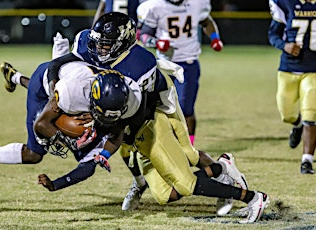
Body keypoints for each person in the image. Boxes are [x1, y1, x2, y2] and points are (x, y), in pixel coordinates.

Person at [46, 12, 245, 215]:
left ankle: (224, 173)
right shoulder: (87, 42)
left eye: (106, 44)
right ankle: (139, 183)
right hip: (121, 105)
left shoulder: (139, 64)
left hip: (156, 102)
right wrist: (55, 93)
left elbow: (138, 112)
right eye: (98, 42)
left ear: (122, 43)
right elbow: (57, 64)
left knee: (187, 154)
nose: (99, 48)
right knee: (125, 148)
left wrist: (99, 123)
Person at [79, 68, 269, 223]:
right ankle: (220, 167)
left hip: (152, 131)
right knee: (164, 195)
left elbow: (117, 135)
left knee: (187, 179)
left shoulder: (134, 100)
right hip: (138, 143)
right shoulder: (103, 87)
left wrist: (100, 149)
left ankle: (253, 198)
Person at [0, 35, 99, 191]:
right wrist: (66, 140)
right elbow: (42, 123)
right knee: (33, 154)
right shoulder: (76, 94)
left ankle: (14, 77)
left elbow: (87, 167)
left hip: (58, 79)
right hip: (50, 83)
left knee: (62, 102)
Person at [268, 0, 316, 174]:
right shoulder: (286, 3)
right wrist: (285, 46)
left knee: (311, 114)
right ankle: (297, 125)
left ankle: (307, 161)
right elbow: (273, 34)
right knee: (286, 114)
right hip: (288, 68)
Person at [137, 0, 223, 145]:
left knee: (185, 108)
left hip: (188, 63)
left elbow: (206, 21)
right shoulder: (155, 6)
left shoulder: (197, 4)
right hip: (165, 64)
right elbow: (144, 35)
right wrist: (156, 42)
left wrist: (215, 38)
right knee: (158, 107)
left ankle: (188, 146)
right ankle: (159, 143)